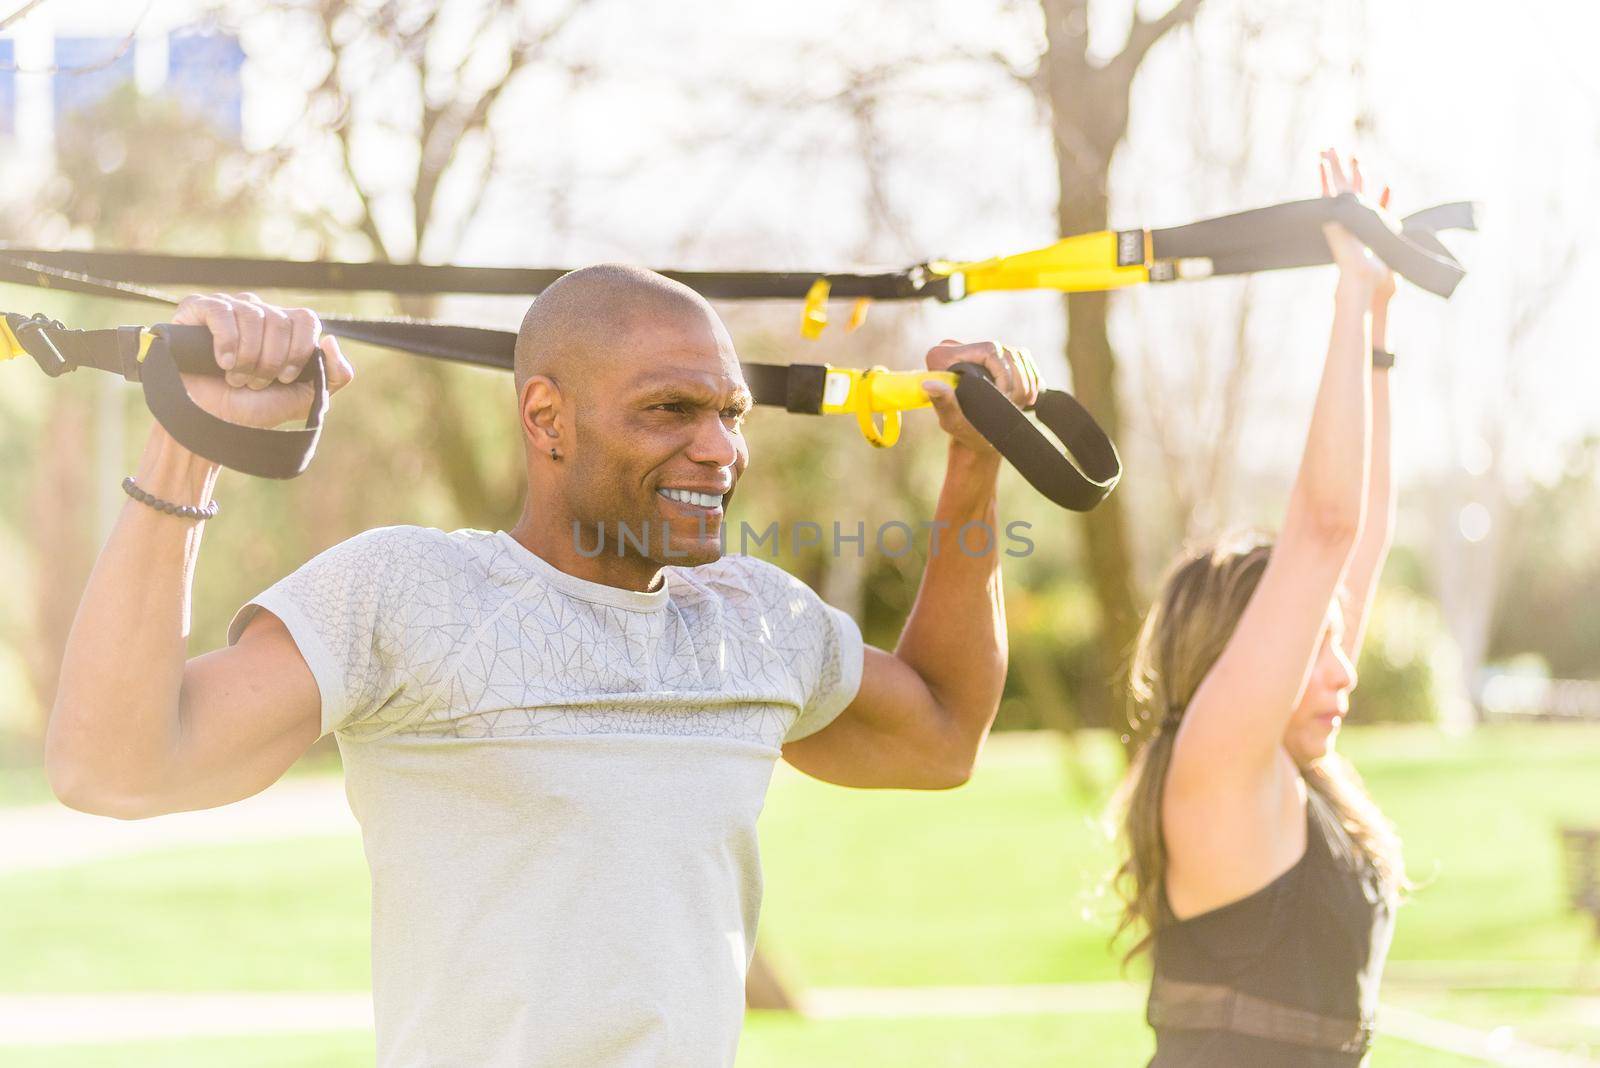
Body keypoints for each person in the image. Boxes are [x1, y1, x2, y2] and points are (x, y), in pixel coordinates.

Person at [45, 265, 1037, 1067]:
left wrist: (973, 461)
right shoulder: (407, 593)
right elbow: (115, 768)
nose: (719, 450)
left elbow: (943, 735)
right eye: (669, 411)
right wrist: (189, 444)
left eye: (731, 413)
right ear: (545, 417)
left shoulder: (754, 619)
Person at [1112, 150, 1406, 1067]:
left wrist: (1380, 336)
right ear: (1243, 660)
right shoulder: (1218, 770)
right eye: (1313, 643)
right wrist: (1346, 301)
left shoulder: (1285, 769)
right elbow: (1324, 529)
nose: (1344, 664)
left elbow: (1361, 541)